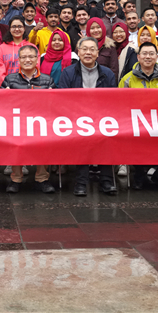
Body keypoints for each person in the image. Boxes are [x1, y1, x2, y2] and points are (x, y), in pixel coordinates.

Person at [59, 37, 118, 196]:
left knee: (107, 137)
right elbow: (62, 100)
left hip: (102, 118)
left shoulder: (107, 73)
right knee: (82, 138)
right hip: (76, 119)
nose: (88, 52)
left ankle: (107, 181)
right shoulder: (68, 72)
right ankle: (81, 182)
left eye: (92, 49)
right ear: (78, 52)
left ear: (97, 53)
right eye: (84, 49)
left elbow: (113, 100)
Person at [119, 42, 158, 191]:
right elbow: (119, 103)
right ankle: (139, 176)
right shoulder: (127, 79)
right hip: (135, 124)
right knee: (133, 143)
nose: (148, 57)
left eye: (151, 53)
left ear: (157, 57)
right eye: (144, 53)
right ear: (138, 57)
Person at [1, 45, 57, 194]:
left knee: (44, 142)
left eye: (31, 57)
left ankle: (42, 178)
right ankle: (16, 179)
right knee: (15, 143)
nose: (27, 60)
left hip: (41, 123)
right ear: (19, 60)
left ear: (37, 59)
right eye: (24, 57)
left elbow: (56, 105)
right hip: (16, 122)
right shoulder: (9, 79)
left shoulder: (47, 80)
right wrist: (3, 95)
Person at [0, 16, 36, 88]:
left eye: (20, 26)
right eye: (13, 27)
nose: (17, 29)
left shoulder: (32, 47)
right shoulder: (2, 48)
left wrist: (21, 86)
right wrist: (7, 85)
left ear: (24, 28)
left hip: (25, 88)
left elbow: (35, 69)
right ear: (10, 29)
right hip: (4, 88)